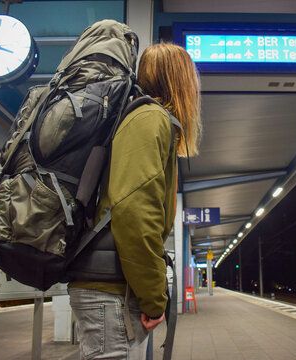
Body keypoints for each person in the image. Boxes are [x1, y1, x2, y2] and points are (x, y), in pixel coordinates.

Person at [68, 43, 202, 360]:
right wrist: (156, 299)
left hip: (109, 287)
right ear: (180, 82)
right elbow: (135, 214)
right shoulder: (151, 119)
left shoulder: (140, 118)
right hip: (112, 291)